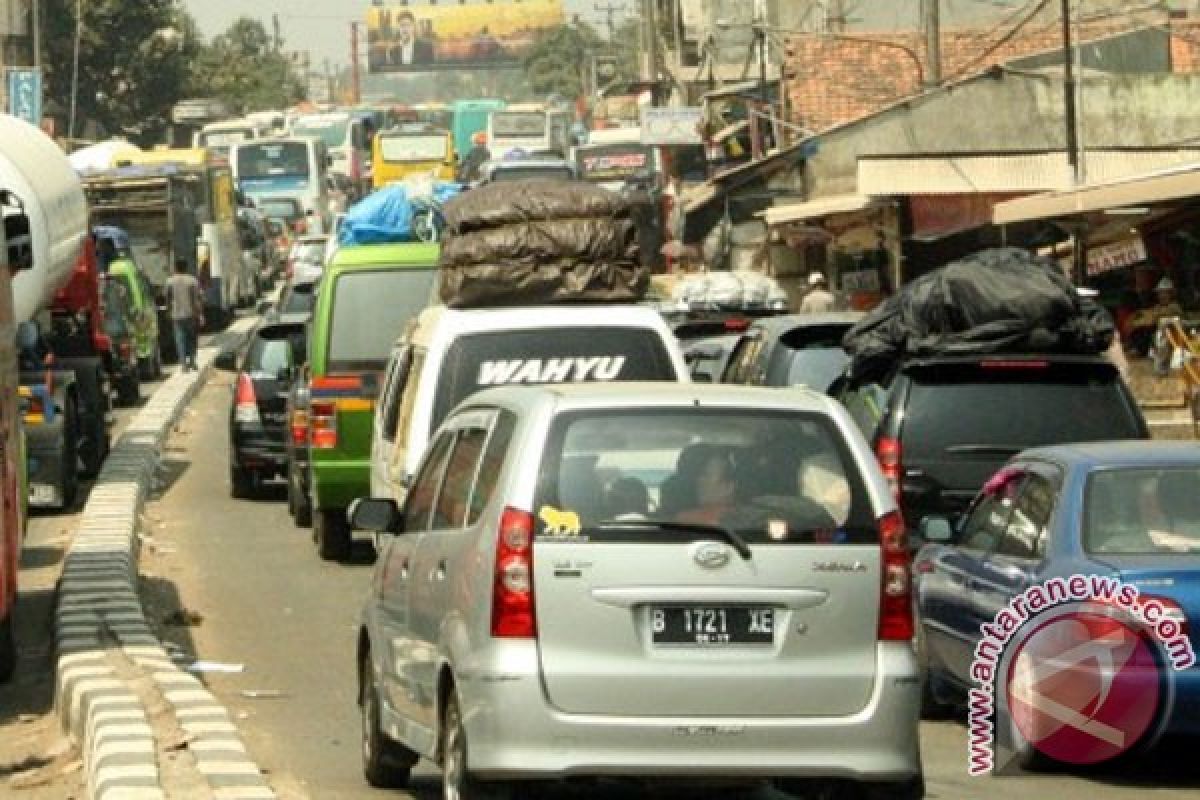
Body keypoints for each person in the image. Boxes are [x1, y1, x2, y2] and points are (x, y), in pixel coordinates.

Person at [674, 449, 738, 526]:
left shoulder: (687, 519)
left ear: (728, 487)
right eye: (699, 474)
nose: (698, 480)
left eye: (706, 475)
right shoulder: (746, 516)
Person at [165, 259, 203, 371]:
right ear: (186, 267)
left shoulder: (169, 281)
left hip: (176, 315)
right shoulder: (192, 281)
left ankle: (183, 365)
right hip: (191, 314)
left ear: (176, 267)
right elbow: (196, 299)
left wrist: (168, 310)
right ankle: (192, 361)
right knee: (192, 338)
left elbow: (167, 298)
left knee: (180, 339)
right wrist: (200, 314)